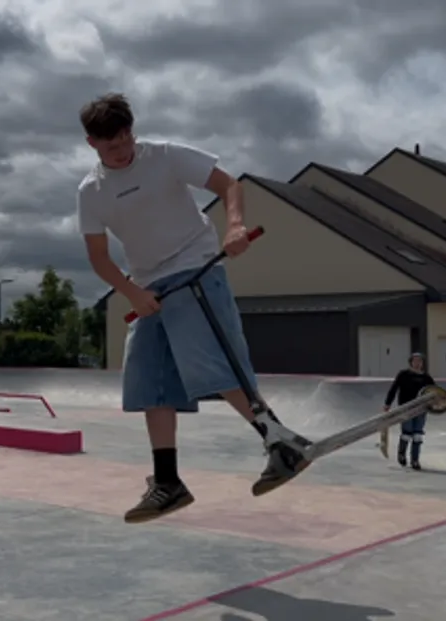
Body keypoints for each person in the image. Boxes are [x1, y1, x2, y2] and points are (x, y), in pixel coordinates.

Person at [75, 93, 311, 524]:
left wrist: (234, 225)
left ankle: (281, 442)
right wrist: (130, 292)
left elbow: (228, 184)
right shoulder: (91, 191)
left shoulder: (165, 156)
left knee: (212, 364)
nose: (124, 149)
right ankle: (168, 481)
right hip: (148, 287)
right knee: (148, 380)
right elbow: (99, 257)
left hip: (196, 269)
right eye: (112, 146)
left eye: (127, 137)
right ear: (92, 144)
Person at [384, 352, 435, 470]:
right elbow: (394, 389)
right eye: (415, 361)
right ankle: (402, 455)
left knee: (417, 435)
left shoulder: (426, 378)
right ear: (411, 362)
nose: (417, 364)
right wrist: (387, 404)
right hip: (406, 408)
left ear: (422, 364)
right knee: (407, 433)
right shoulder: (403, 375)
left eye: (420, 361)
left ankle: (415, 460)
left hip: (421, 410)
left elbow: (436, 392)